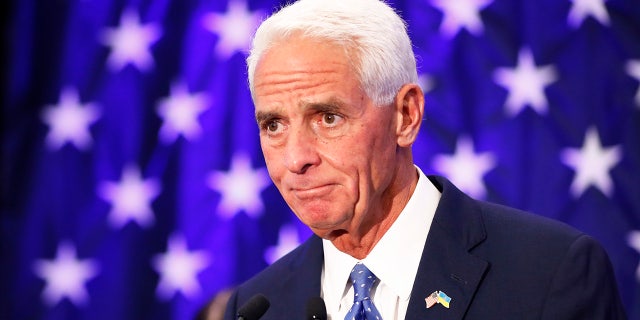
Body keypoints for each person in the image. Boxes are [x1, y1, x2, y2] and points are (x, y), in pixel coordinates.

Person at [223, 0, 627, 319]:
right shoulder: (260, 306)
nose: (295, 158)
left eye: (328, 118)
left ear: (406, 116)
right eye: (273, 125)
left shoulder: (550, 275)